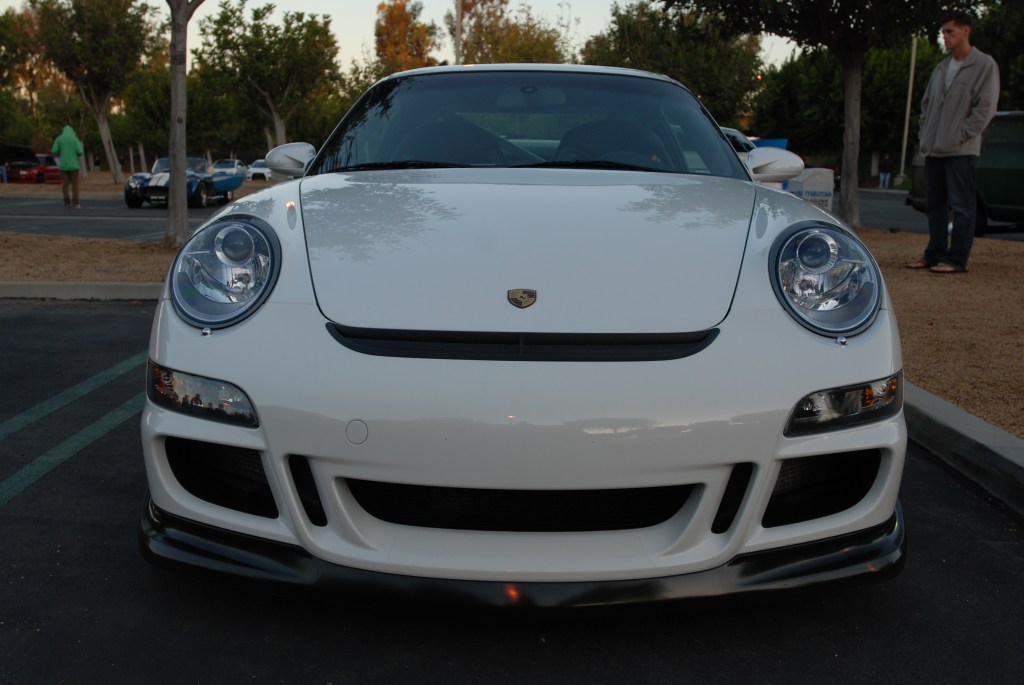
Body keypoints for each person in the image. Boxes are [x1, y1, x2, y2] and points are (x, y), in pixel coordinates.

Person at [907, 11, 999, 274]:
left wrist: (960, 136)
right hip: (933, 149)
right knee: (934, 206)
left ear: (966, 31)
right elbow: (926, 106)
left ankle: (957, 259)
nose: (944, 37)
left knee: (962, 206)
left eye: (950, 32)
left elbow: (985, 109)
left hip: (961, 150)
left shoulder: (984, 65)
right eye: (943, 32)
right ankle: (934, 254)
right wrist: (925, 135)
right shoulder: (941, 68)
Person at [51, 124, 84, 209]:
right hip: (74, 166)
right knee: (75, 185)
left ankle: (67, 202)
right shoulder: (75, 139)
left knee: (65, 185)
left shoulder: (59, 139)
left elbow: (54, 150)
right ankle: (76, 203)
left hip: (64, 166)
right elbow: (80, 152)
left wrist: (61, 151)